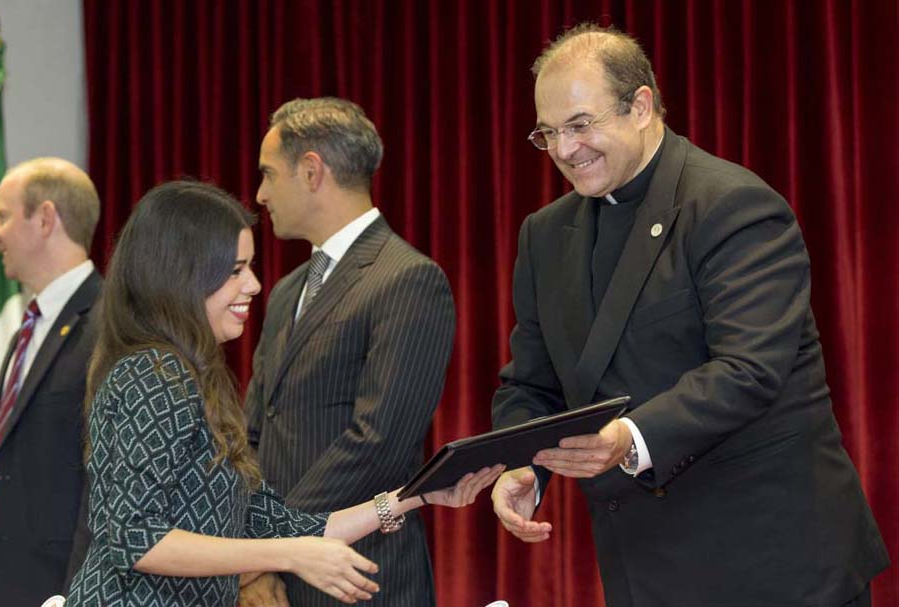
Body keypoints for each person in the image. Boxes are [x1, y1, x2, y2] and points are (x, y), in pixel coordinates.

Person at [490, 23, 889, 607]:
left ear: (642, 106)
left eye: (580, 125)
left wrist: (627, 438)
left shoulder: (731, 205)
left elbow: (749, 369)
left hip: (775, 566)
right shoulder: (545, 234)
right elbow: (531, 382)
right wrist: (522, 466)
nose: (564, 149)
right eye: (548, 132)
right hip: (644, 570)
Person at [64, 180, 501, 606]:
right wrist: (288, 554)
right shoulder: (152, 372)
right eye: (236, 271)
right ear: (182, 276)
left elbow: (283, 523)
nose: (254, 285)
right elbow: (134, 539)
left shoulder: (193, 375)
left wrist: (414, 496)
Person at [242, 97, 456, 607]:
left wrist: (272, 547)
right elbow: (253, 430)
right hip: (274, 574)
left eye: (269, 175)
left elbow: (378, 441)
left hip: (360, 575)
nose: (260, 193)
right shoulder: (287, 289)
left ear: (312, 171)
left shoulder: (407, 279)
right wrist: (252, 553)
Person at [0, 157, 101, 606]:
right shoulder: (28, 327)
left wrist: (73, 595)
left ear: (46, 218)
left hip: (55, 590)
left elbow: (105, 483)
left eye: (3, 216)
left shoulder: (109, 327)